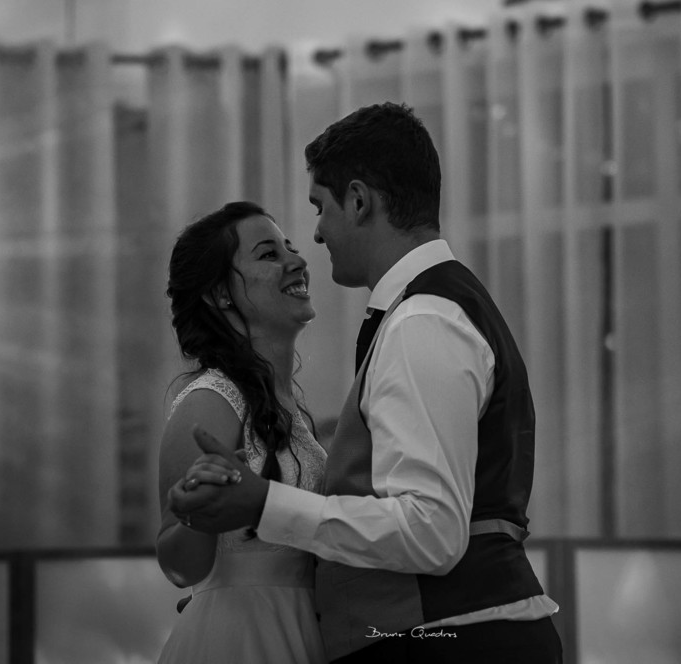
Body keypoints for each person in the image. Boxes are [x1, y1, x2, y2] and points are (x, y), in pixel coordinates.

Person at [169, 102, 563, 663]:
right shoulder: (434, 307)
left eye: (320, 208)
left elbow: (430, 531)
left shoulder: (422, 319)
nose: (315, 236)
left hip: (455, 638)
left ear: (359, 201)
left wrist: (264, 505)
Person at [155, 201, 327, 664]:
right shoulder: (211, 399)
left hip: (302, 631)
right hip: (238, 640)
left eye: (290, 247)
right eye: (269, 254)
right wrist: (197, 513)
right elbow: (178, 566)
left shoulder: (289, 408)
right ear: (220, 294)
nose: (297, 261)